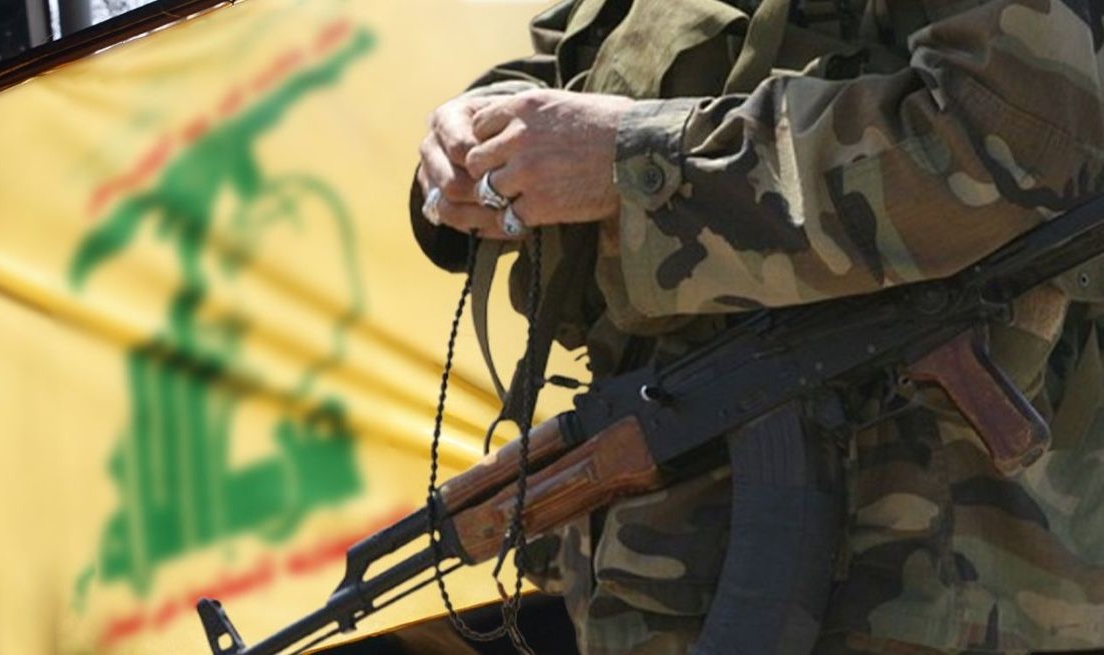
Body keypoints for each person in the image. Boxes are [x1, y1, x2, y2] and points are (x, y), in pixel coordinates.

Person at [410, 1, 1104, 653]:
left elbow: (1014, 136)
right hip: (657, 576)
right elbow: (586, 54)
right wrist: (481, 136)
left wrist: (635, 159)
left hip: (925, 583)